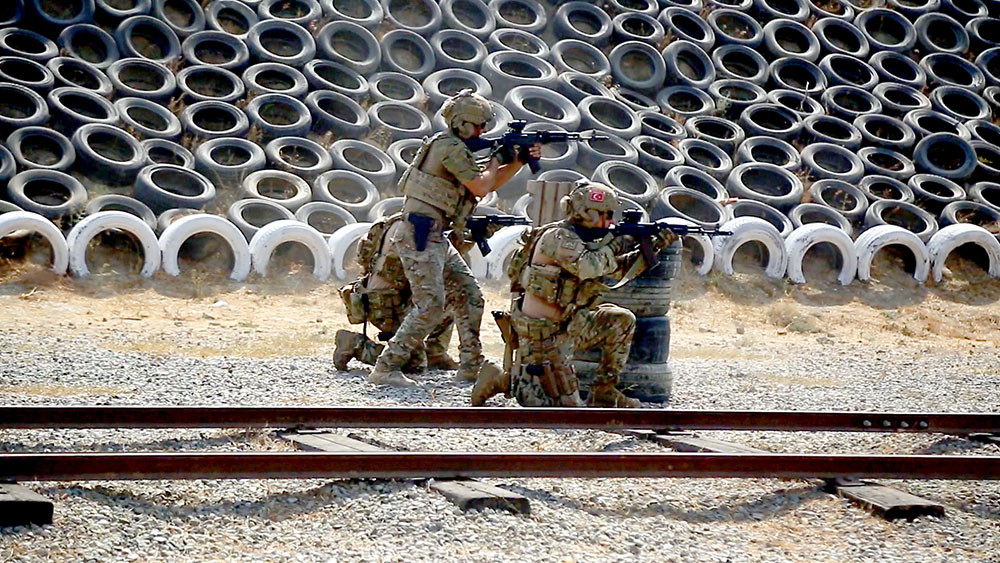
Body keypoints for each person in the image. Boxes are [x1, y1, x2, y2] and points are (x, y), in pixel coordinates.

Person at [367, 90, 541, 387]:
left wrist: (518, 161)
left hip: (435, 235)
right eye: (478, 126)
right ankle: (386, 367)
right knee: (430, 305)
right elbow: (481, 186)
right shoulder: (449, 147)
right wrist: (499, 156)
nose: (482, 131)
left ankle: (470, 366)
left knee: (470, 295)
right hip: (419, 233)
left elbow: (488, 183)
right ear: (460, 124)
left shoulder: (456, 147)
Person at [471, 182, 675, 408]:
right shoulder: (557, 238)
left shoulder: (586, 243)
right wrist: (621, 242)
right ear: (582, 212)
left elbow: (616, 270)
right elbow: (589, 266)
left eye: (611, 214)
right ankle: (500, 379)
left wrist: (652, 246)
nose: (610, 221)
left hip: (571, 327)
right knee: (561, 407)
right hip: (542, 336)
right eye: (603, 214)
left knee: (621, 320)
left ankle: (604, 390)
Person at [334, 212, 459, 373]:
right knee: (413, 364)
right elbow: (436, 265)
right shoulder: (409, 229)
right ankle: (354, 344)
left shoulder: (399, 220)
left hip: (397, 299)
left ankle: (435, 353)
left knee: (449, 297)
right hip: (384, 305)